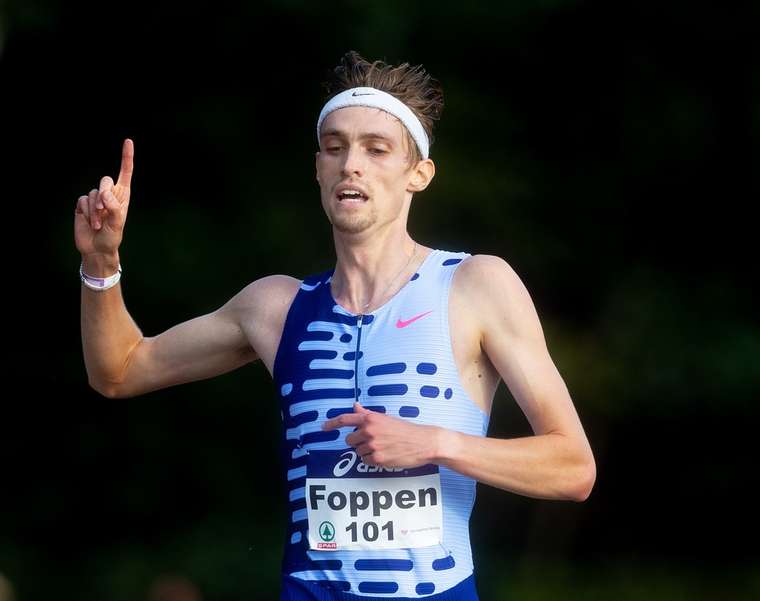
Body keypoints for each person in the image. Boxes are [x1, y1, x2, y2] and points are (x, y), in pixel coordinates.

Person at [77, 50, 596, 601]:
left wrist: (436, 443)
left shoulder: (474, 285)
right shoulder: (274, 307)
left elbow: (572, 467)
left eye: (377, 150)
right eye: (335, 147)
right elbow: (119, 370)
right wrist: (100, 264)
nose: (352, 163)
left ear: (418, 173)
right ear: (318, 168)